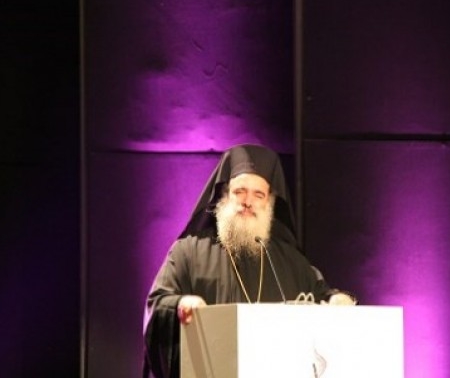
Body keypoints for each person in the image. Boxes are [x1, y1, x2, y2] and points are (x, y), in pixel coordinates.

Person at [142, 144, 357, 378]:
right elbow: (158, 303)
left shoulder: (290, 260)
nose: (248, 201)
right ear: (225, 196)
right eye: (240, 191)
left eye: (258, 194)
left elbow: (322, 295)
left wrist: (337, 300)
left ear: (269, 203)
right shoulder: (189, 252)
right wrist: (181, 304)